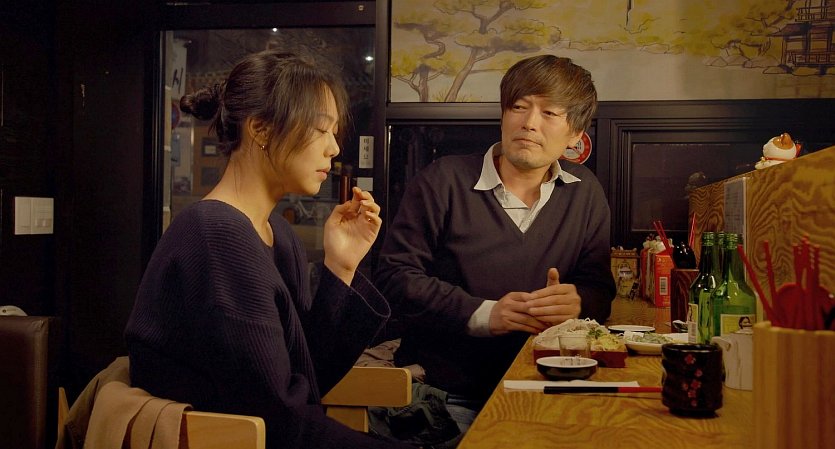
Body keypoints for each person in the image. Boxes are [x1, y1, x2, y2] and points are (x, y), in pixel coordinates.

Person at [125, 50, 412, 449]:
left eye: (334, 133)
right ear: (260, 129)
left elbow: (307, 381)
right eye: (321, 129)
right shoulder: (218, 234)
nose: (334, 148)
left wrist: (341, 265)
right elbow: (284, 424)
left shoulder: (278, 232)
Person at [374, 54, 616, 431]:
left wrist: (578, 302)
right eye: (518, 107)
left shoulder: (585, 192)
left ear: (575, 134)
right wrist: (485, 314)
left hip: (549, 385)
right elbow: (394, 277)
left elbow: (600, 290)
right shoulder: (443, 180)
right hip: (447, 394)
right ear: (503, 115)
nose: (529, 122)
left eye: (549, 112)